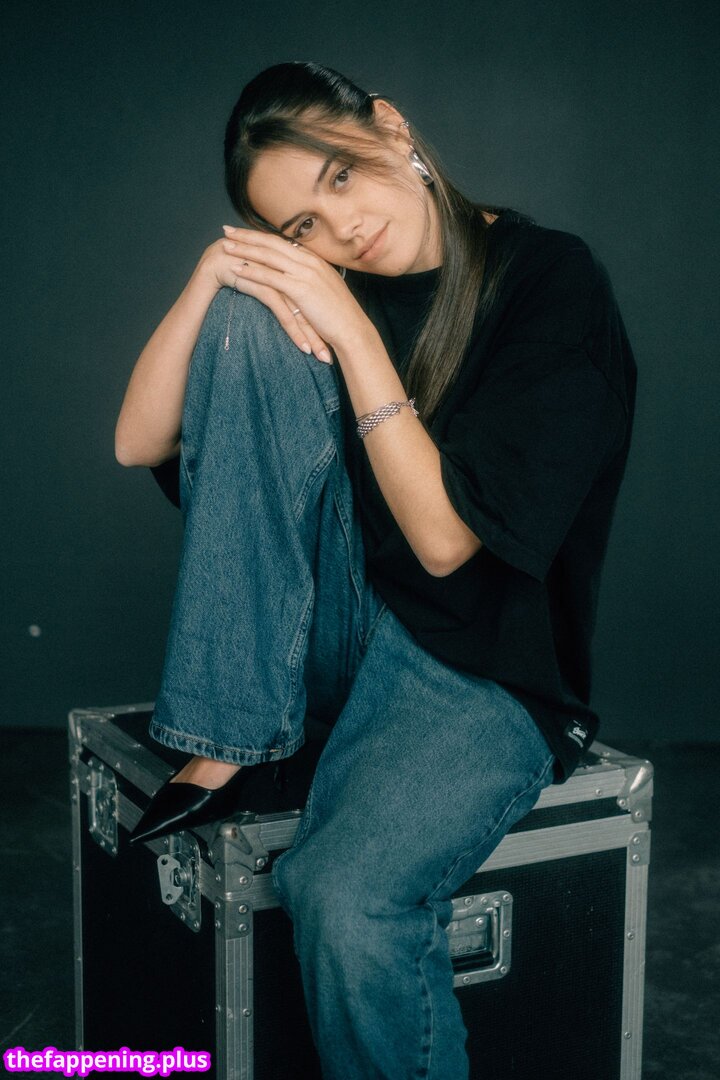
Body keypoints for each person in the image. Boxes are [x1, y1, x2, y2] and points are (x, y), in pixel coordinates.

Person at [115, 61, 637, 1080]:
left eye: (339, 178)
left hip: (479, 669)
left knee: (342, 896)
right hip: (336, 640)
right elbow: (137, 442)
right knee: (246, 316)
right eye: (301, 226)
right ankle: (229, 733)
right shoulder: (319, 290)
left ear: (390, 128)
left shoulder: (549, 281)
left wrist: (352, 331)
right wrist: (214, 273)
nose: (341, 230)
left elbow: (444, 544)